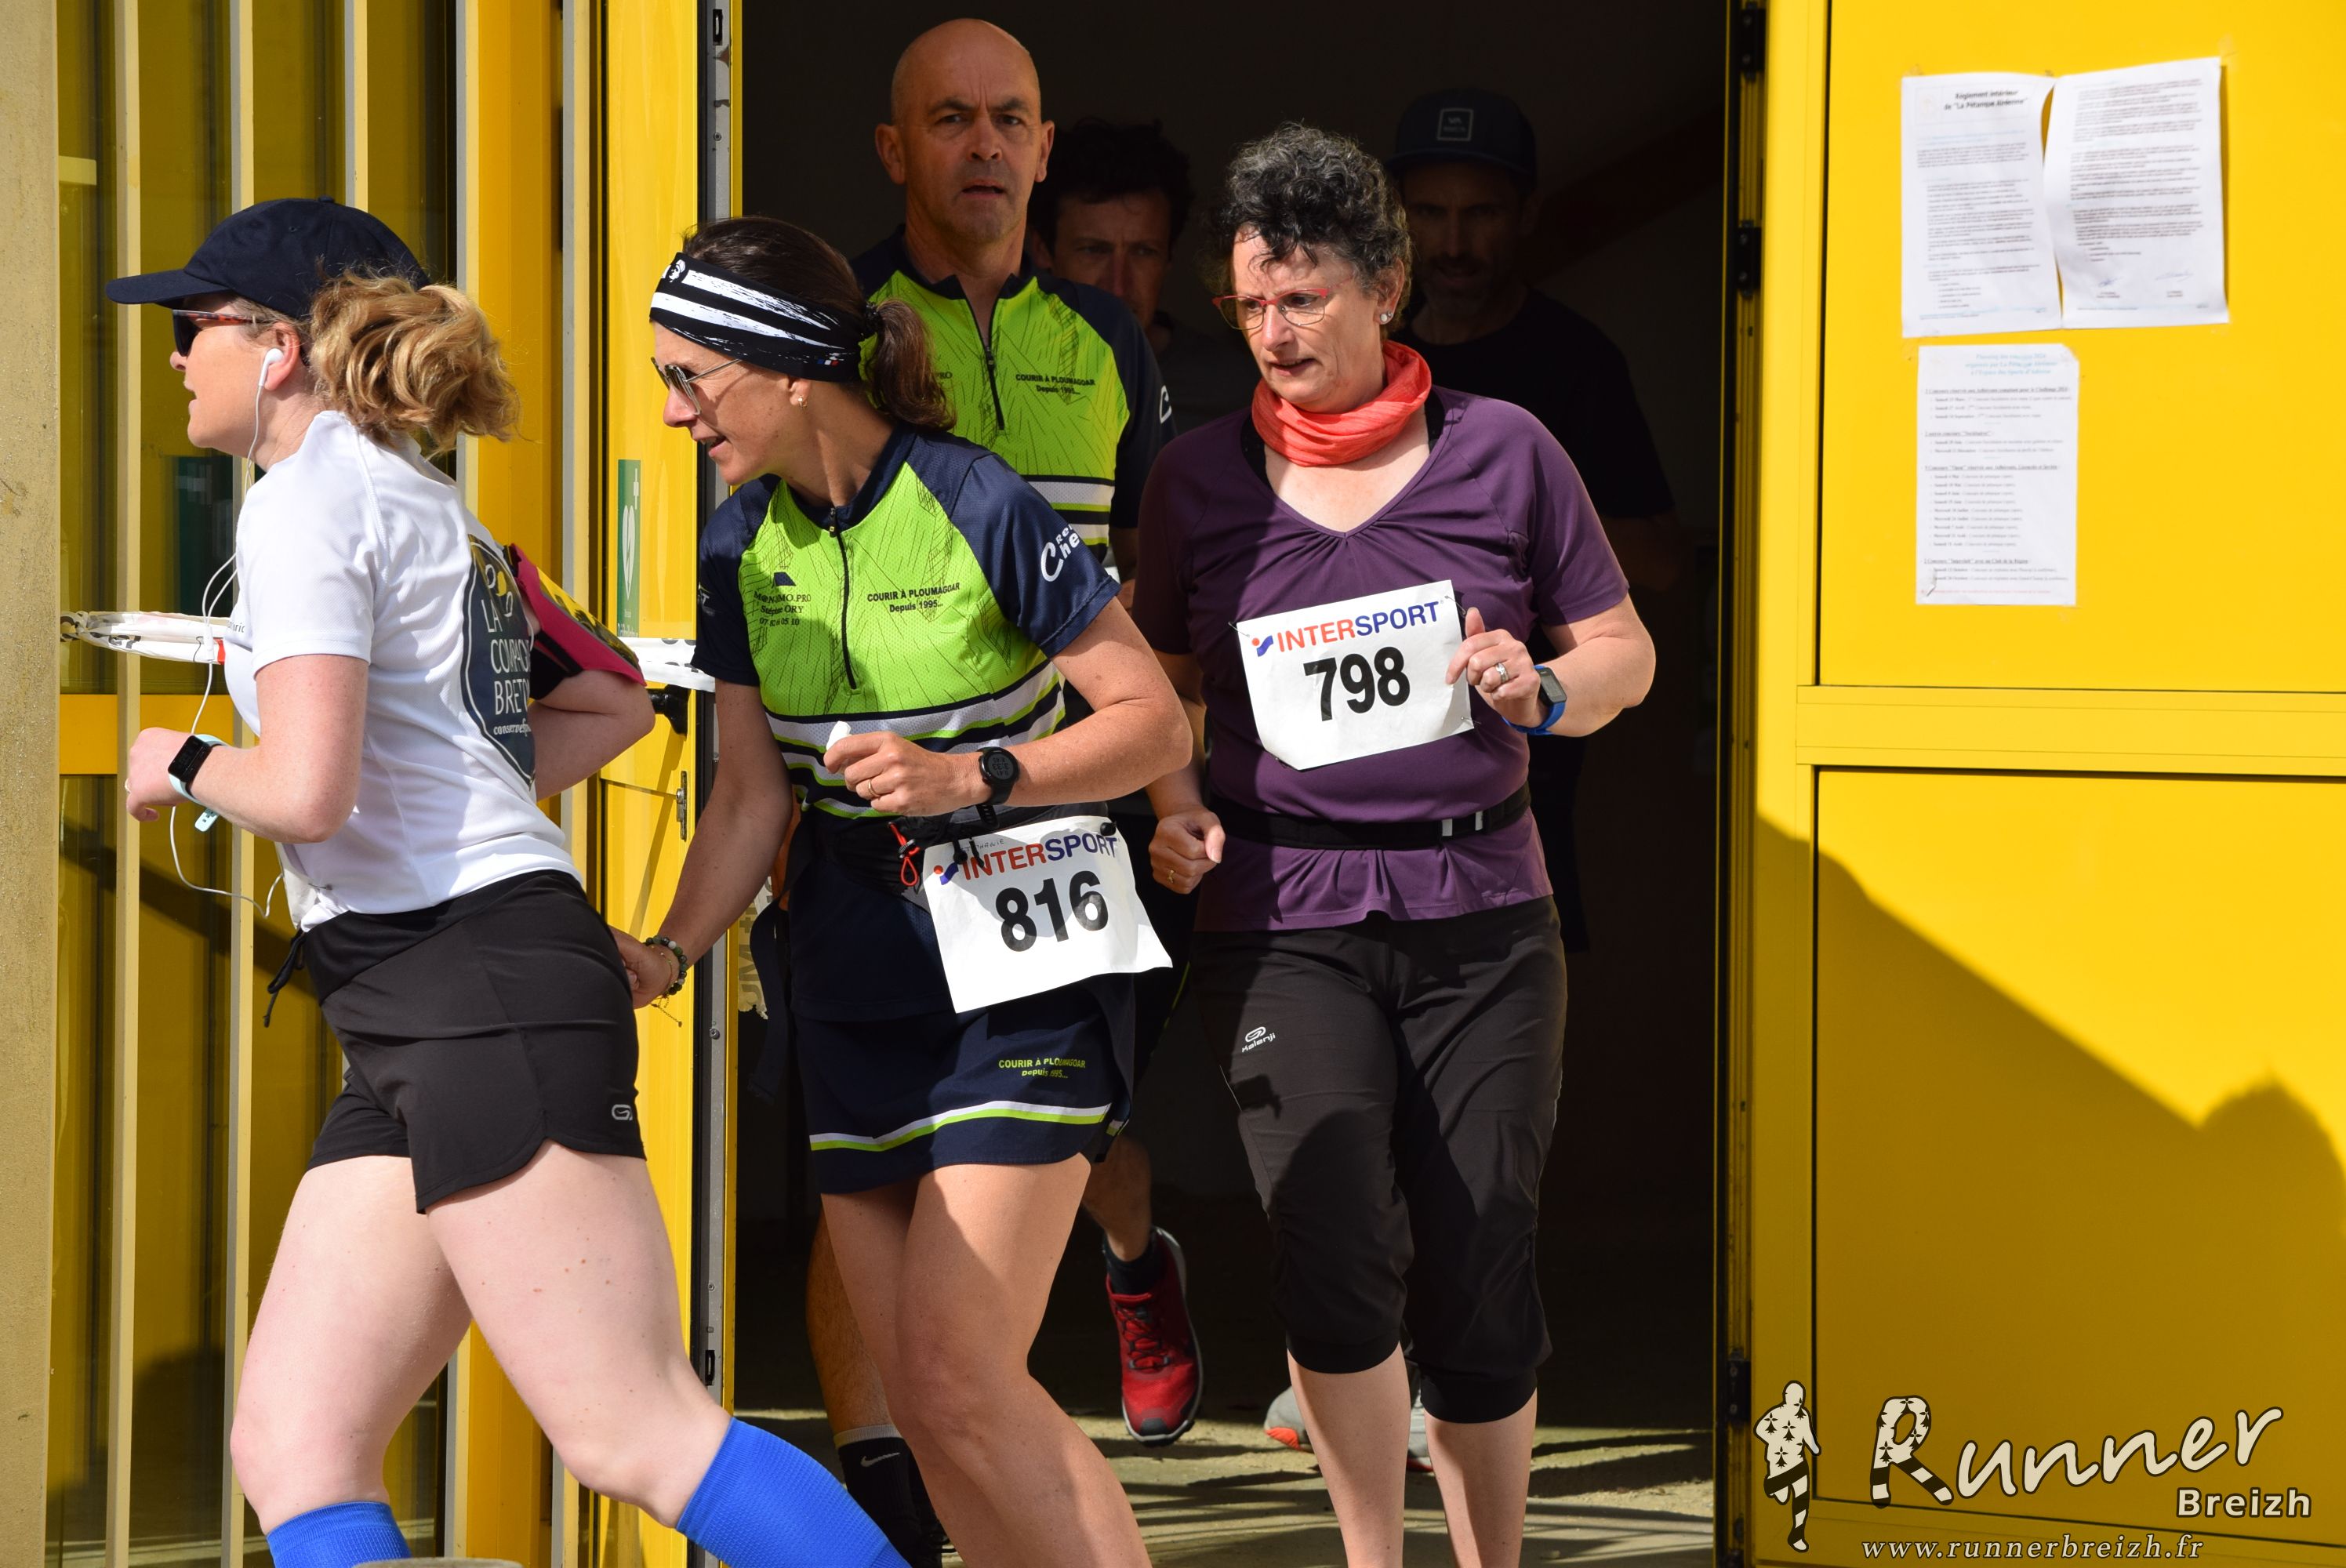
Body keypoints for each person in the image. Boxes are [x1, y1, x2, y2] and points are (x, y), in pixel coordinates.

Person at [107, 198, 904, 1568]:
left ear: (279, 346)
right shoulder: (424, 503)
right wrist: (459, 786)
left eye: (196, 327)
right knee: (296, 1439)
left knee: (634, 1431)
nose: (178, 356)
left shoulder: (306, 505)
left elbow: (306, 791)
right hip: (420, 997)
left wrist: (177, 761)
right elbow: (609, 702)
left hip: (468, 989)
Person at [616, 215, 1188, 1568]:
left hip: (1025, 953)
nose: (675, 409)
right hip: (853, 969)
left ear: (790, 369)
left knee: (960, 1377)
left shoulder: (977, 497)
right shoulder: (735, 543)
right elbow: (750, 796)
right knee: (925, 1416)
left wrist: (975, 773)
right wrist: (670, 950)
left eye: (692, 376)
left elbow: (1153, 724)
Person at [1131, 128, 1656, 1566]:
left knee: (1480, 1253)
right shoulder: (1195, 479)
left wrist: (1545, 690)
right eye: (1249, 303)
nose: (1273, 331)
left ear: (1385, 288)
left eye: (1302, 298)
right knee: (1330, 1239)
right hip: (1281, 913)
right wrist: (1173, 805)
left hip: (1481, 911)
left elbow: (1623, 649)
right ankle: (1373, 1555)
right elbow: (1157, 685)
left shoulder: (1508, 451)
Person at [801, 23, 1203, 1530]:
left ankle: (1109, 1296)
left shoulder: (1107, 340)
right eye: (951, 118)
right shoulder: (841, 323)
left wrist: (1173, 797)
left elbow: (1151, 594)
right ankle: (890, 1497)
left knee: (1061, 1154)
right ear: (894, 147)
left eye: (1009, 120)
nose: (983, 145)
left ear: (1041, 147)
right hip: (877, 825)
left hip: (1057, 815)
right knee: (879, 1180)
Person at [1389, 89, 1683, 956]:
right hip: (1374, 733)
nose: (1452, 243)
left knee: (1524, 955)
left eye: (1479, 214)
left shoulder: (1577, 362)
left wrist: (1526, 521)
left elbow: (1662, 557)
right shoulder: (1365, 355)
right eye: (1429, 214)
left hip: (1532, 732)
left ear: (1525, 214)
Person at [1030, 117, 1261, 433]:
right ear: (1042, 250)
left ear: (1169, 257)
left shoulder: (1235, 395)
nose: (1118, 285)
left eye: (1143, 252)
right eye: (1094, 250)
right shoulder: (1002, 367)